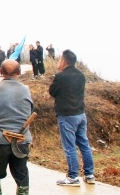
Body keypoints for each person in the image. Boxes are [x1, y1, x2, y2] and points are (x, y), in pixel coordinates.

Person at [0, 59, 33, 195]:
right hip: (21, 140)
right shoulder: (25, 89)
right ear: (19, 72)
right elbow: (30, 110)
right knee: (22, 175)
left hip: (0, 139)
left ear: (0, 72)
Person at [50, 49, 95, 186]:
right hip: (80, 114)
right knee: (84, 145)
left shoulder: (60, 76)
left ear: (63, 61)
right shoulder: (81, 75)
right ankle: (89, 174)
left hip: (67, 115)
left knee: (69, 147)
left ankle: (73, 177)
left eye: (59, 60)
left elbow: (52, 91)